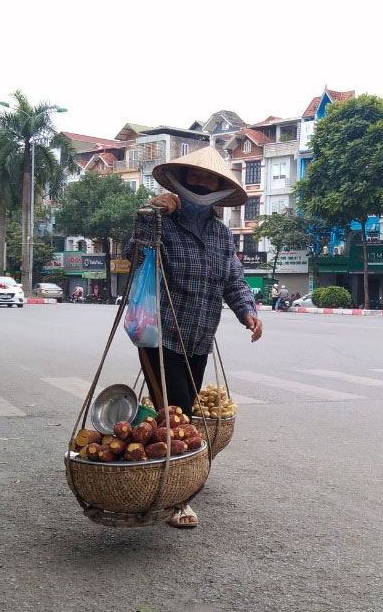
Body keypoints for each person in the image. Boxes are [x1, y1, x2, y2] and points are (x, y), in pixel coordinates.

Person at [126, 146, 263, 529]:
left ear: (220, 187)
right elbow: (135, 259)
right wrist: (149, 215)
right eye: (197, 177)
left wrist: (248, 311)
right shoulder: (159, 221)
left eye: (211, 179)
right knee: (179, 414)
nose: (203, 183)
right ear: (182, 181)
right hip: (159, 335)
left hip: (199, 338)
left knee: (177, 414)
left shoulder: (221, 235)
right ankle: (177, 499)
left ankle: (158, 468)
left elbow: (233, 280)